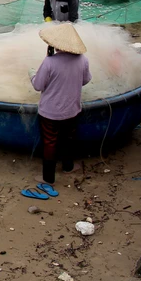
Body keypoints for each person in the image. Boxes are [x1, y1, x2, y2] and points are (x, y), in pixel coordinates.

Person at [29, 23, 92, 185]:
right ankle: (68, 166)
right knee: (68, 138)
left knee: (50, 142)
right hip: (72, 109)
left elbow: (38, 86)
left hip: (50, 112)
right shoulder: (82, 60)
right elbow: (86, 80)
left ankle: (48, 178)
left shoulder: (49, 62)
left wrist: (31, 75)